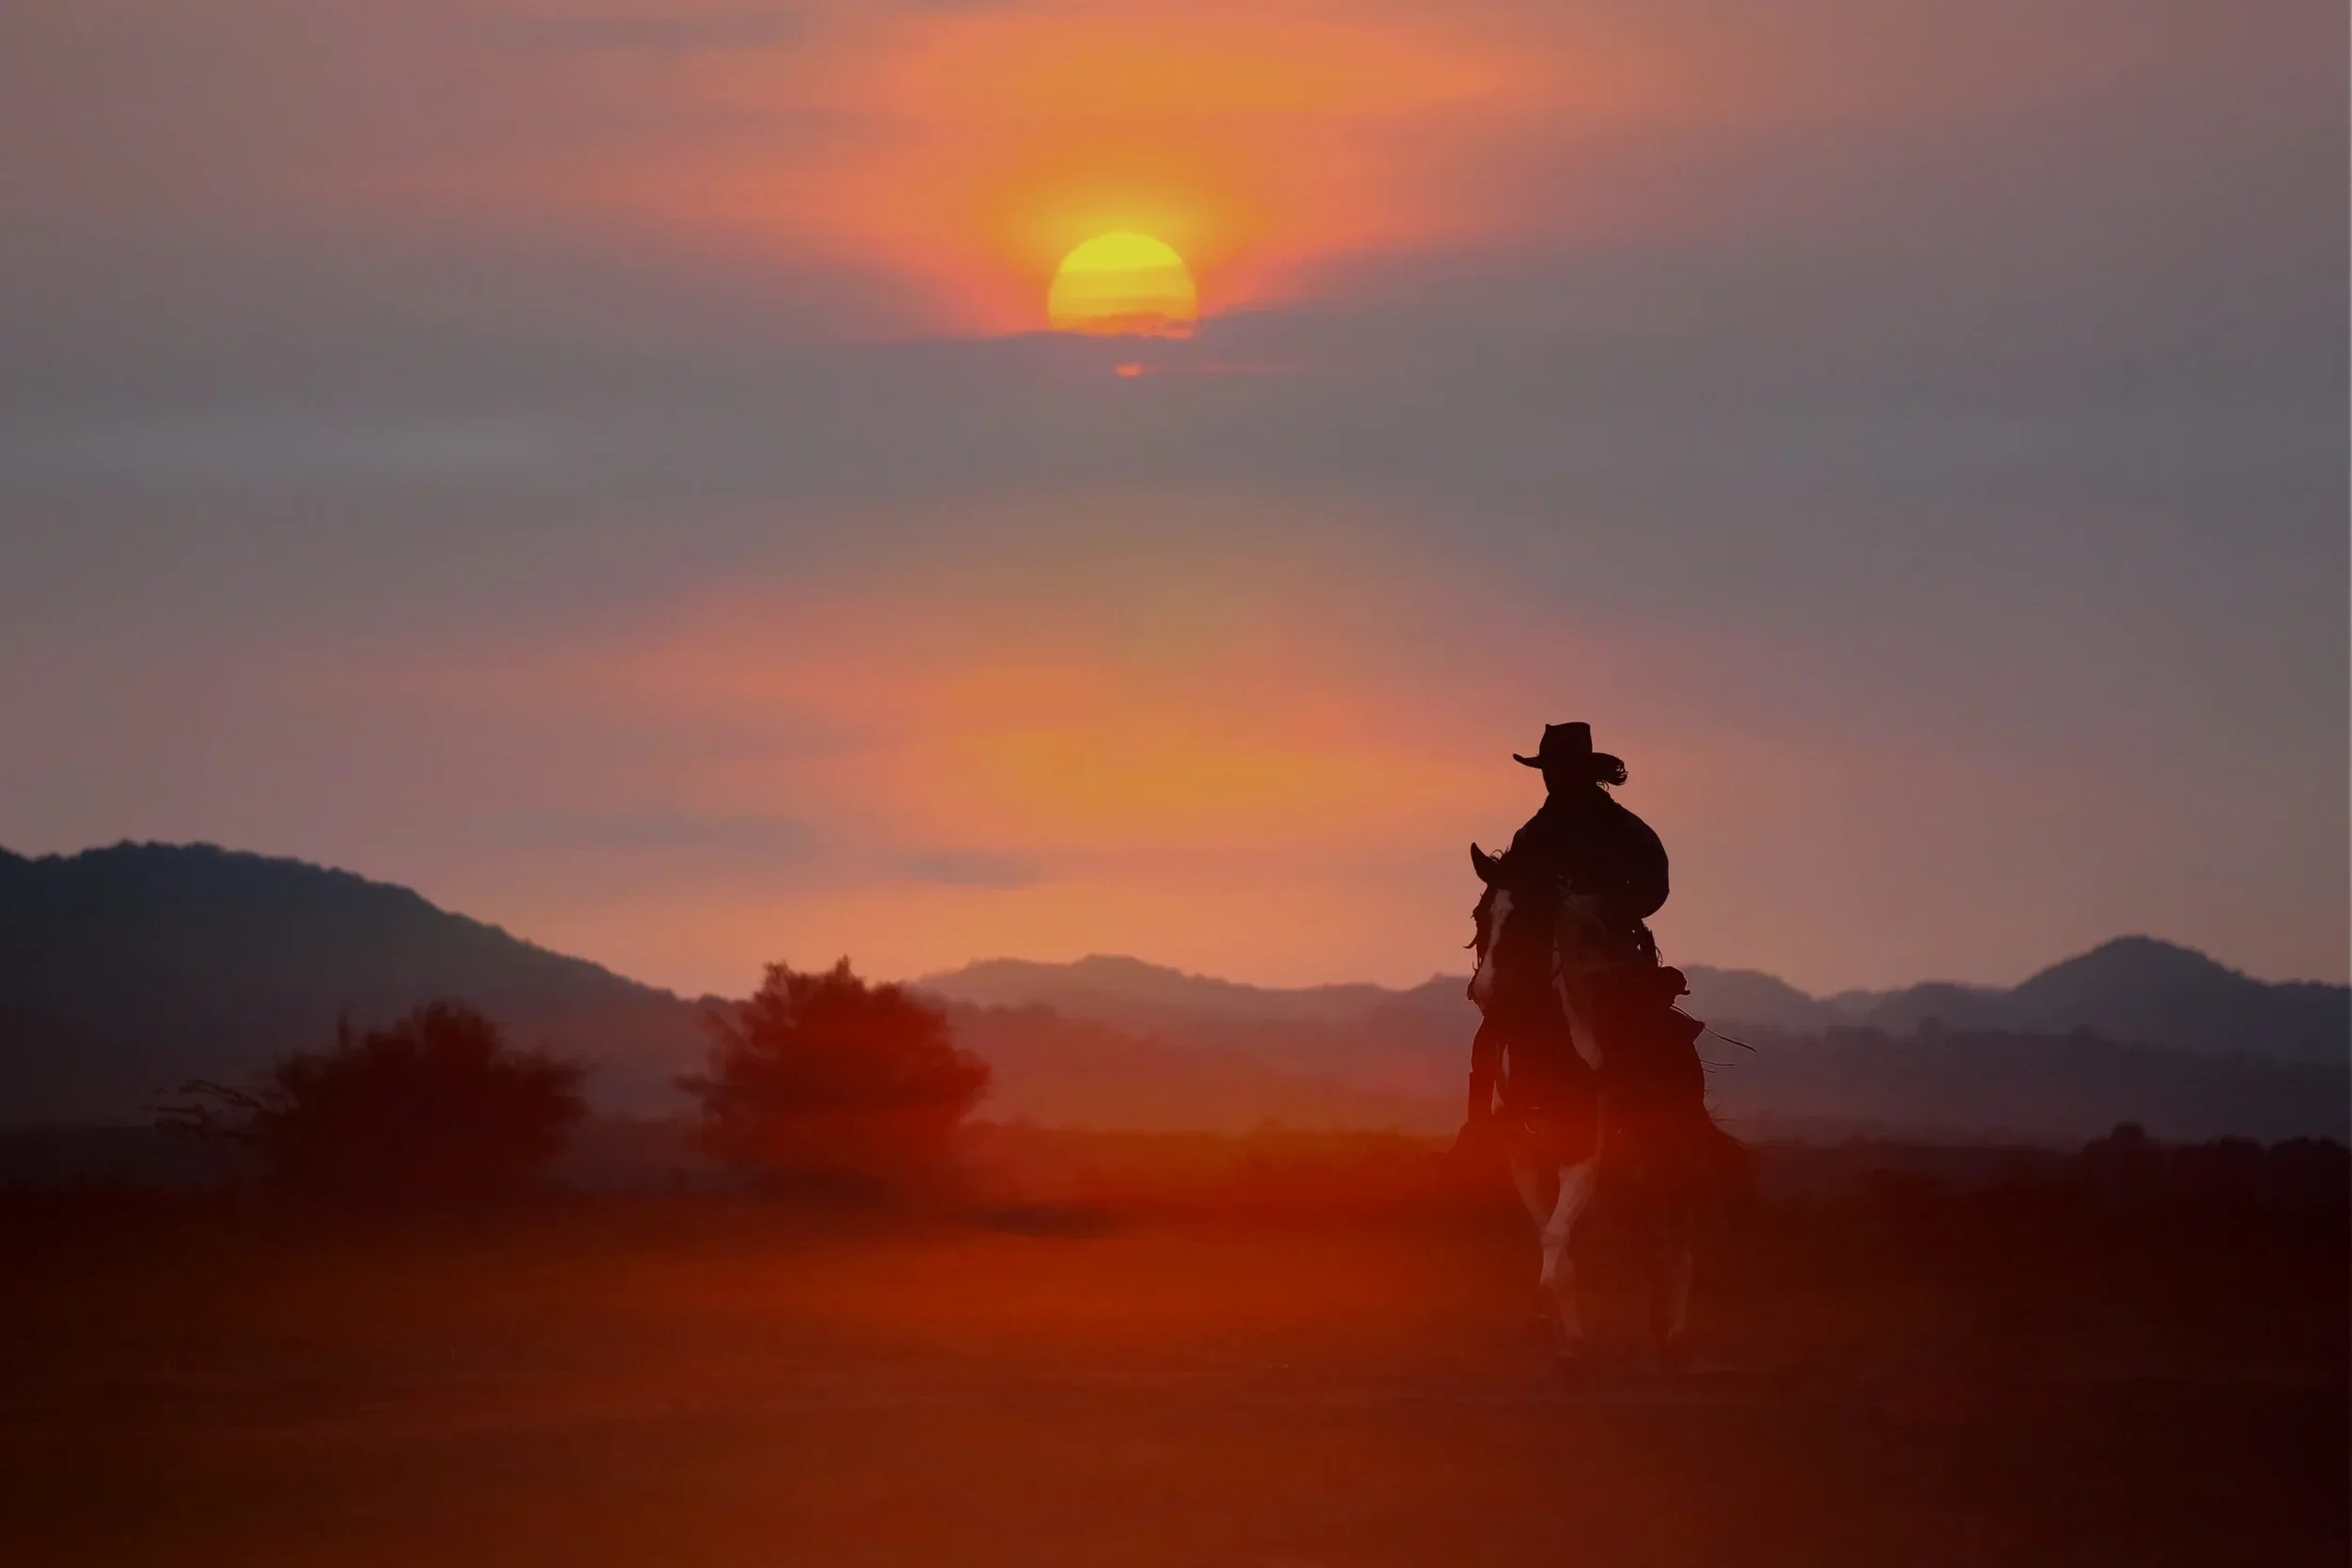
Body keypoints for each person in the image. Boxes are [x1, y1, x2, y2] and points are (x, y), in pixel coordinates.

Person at [1458, 721, 1672, 1148]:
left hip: (1608, 951)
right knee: (1493, 1028)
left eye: (1558, 767)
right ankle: (1479, 1132)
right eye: (1547, 768)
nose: (1551, 776)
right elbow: (1512, 894)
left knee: (1637, 1021)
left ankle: (1647, 1113)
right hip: (1541, 955)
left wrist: (1601, 909)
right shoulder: (1532, 834)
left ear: (1580, 769)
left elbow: (1655, 888)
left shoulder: (1624, 829)